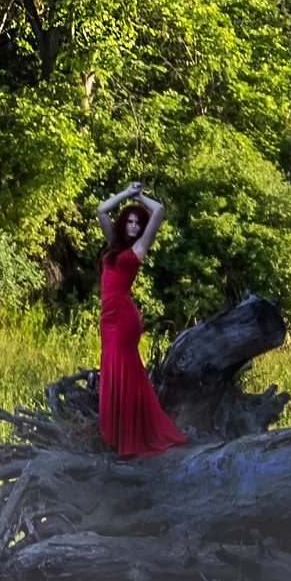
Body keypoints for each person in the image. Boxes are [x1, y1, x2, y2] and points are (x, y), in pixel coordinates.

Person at [96, 181, 186, 457]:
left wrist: (140, 196)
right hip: (107, 318)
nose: (134, 227)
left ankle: (131, 439)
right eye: (130, 222)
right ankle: (117, 436)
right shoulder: (114, 244)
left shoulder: (137, 249)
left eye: (138, 223)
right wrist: (125, 193)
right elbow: (101, 210)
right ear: (124, 223)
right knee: (113, 369)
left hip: (124, 319)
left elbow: (159, 210)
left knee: (125, 371)